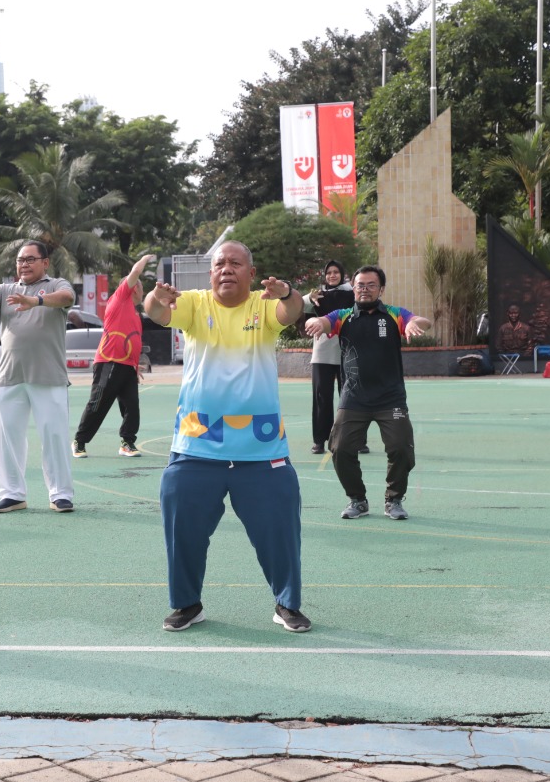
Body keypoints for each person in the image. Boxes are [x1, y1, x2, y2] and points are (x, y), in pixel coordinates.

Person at [144, 241, 309, 633]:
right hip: (197, 444)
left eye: (236, 263)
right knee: (179, 515)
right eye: (220, 264)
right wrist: (154, 296)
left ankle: (287, 604)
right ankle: (186, 603)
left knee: (280, 525)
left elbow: (293, 310)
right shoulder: (195, 304)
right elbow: (156, 313)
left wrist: (286, 293)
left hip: (261, 446)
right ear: (210, 273)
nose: (226, 269)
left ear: (251, 274)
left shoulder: (263, 306)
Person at [304, 265, 432, 521]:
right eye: (360, 285)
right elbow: (319, 320)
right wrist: (316, 322)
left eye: (371, 285)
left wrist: (413, 325)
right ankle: (357, 499)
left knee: (401, 449)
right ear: (353, 288)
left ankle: (393, 500)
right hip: (354, 398)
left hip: (391, 398)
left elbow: (422, 321)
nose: (364, 289)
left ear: (381, 289)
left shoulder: (394, 315)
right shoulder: (343, 316)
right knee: (339, 448)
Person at [0, 241, 76, 513]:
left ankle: (60, 494)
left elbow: (67, 299)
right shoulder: (5, 291)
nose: (23, 264)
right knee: (7, 438)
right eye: (20, 260)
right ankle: (13, 494)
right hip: (9, 377)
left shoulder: (56, 285)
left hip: (48, 376)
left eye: (30, 259)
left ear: (45, 262)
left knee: (54, 436)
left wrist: (35, 300)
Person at [72, 254, 154, 459]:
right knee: (99, 403)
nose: (142, 290)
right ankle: (79, 441)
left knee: (131, 406)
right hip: (109, 362)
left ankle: (127, 442)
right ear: (134, 288)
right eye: (141, 287)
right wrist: (145, 259)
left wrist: (135, 367)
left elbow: (131, 341)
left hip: (127, 366)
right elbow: (134, 273)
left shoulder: (136, 315)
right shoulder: (119, 299)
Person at [302, 260, 353, 454]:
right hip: (322, 352)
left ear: (342, 274)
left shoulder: (352, 294)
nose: (332, 275)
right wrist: (308, 298)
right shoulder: (318, 295)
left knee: (349, 398)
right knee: (321, 397)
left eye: (336, 272)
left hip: (346, 352)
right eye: (329, 273)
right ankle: (320, 440)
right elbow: (305, 314)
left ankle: (354, 439)